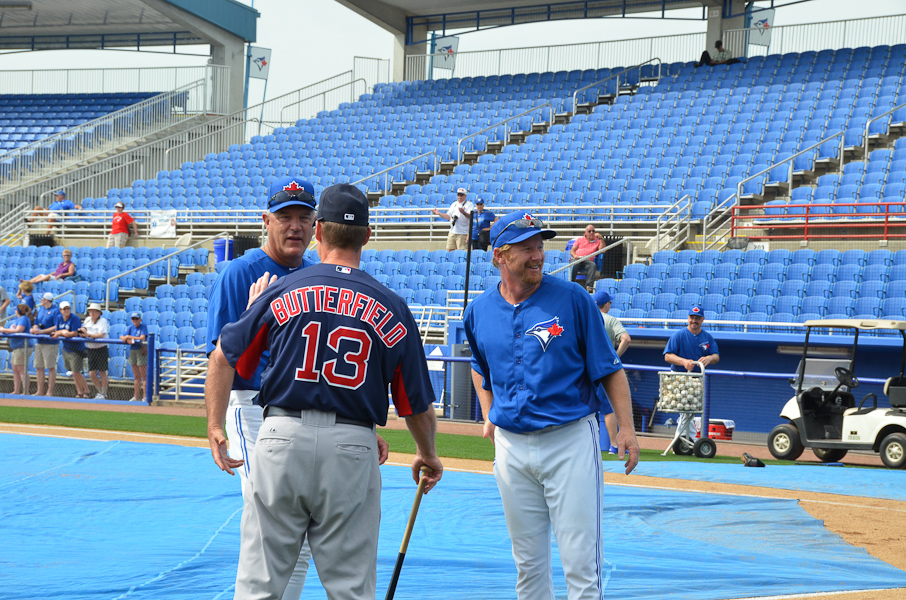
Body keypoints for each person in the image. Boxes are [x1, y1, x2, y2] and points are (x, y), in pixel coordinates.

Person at [205, 183, 443, 600]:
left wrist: (213, 424)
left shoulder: (283, 289)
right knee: (350, 589)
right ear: (367, 236)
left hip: (278, 434)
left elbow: (223, 357)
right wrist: (427, 453)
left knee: (258, 587)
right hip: (353, 443)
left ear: (319, 233)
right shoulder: (391, 304)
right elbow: (417, 405)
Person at [463, 210, 639, 600]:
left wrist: (625, 428)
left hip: (570, 440)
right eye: (526, 248)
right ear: (499, 256)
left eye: (540, 246)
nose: (538, 255)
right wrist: (489, 411)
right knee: (528, 567)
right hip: (511, 446)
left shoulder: (574, 298)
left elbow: (610, 369)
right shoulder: (478, 311)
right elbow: (479, 365)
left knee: (580, 565)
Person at [593, 290, 632, 455]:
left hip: (585, 369)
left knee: (588, 408)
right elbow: (626, 339)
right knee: (608, 409)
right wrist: (615, 356)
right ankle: (614, 445)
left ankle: (590, 444)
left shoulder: (587, 318)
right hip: (604, 368)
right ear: (606, 304)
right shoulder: (610, 319)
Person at [664, 304, 720, 373]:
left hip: (697, 376)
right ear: (688, 318)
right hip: (678, 375)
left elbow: (716, 356)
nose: (694, 320)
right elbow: (668, 356)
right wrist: (683, 362)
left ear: (703, 319)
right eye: (692, 317)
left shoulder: (707, 337)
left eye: (697, 318)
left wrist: (709, 358)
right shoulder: (678, 335)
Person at [52, 300, 90, 399]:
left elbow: (75, 333)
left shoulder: (75, 318)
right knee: (73, 372)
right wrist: (63, 332)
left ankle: (87, 391)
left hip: (76, 348)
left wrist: (65, 332)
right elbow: (57, 331)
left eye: (68, 308)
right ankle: (79, 392)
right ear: (60, 310)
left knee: (76, 372)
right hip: (66, 348)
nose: (66, 310)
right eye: (64, 309)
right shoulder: (59, 318)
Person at [0, 304, 33, 395]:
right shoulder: (19, 320)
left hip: (23, 347)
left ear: (17, 311)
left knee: (21, 369)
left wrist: (4, 329)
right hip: (17, 347)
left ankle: (25, 391)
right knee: (15, 368)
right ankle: (16, 390)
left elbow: (18, 330)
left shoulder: (23, 319)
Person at [31, 292, 60, 396]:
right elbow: (36, 323)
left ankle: (50, 391)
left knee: (50, 366)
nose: (40, 301)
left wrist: (42, 332)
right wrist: (35, 329)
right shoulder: (41, 310)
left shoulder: (56, 311)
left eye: (42, 299)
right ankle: (40, 391)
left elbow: (56, 326)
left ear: (46, 300)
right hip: (40, 342)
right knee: (39, 367)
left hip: (50, 342)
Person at [80, 303, 110, 400]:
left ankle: (104, 393)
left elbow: (101, 335)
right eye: (90, 311)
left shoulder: (103, 321)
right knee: (92, 373)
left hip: (101, 349)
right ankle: (99, 391)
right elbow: (83, 329)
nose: (92, 313)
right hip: (90, 349)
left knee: (102, 372)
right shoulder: (88, 320)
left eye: (94, 311)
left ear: (99, 312)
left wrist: (88, 335)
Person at [120, 312, 148, 402]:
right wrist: (125, 338)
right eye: (133, 319)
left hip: (140, 350)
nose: (135, 320)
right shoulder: (130, 327)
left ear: (140, 319)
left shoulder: (143, 327)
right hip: (133, 351)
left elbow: (142, 337)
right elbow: (121, 336)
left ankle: (145, 396)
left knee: (144, 375)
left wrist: (129, 337)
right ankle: (136, 396)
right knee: (136, 376)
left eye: (136, 319)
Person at [570, 224, 604, 292]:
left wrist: (601, 238)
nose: (592, 233)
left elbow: (603, 250)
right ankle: (571, 283)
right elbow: (572, 251)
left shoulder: (597, 241)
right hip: (578, 259)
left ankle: (589, 286)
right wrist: (575, 256)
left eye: (593, 231)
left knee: (593, 265)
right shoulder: (580, 240)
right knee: (574, 265)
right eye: (589, 231)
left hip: (588, 260)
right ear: (585, 233)